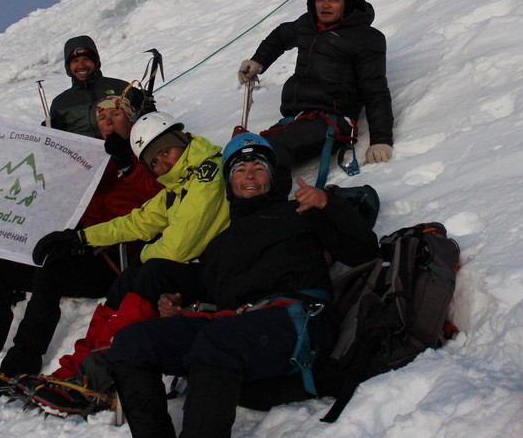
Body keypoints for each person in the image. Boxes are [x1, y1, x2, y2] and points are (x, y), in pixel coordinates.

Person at [106, 133, 379, 438]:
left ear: (271, 178)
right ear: (229, 182)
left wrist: (328, 204)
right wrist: (175, 306)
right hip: (239, 331)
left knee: (220, 336)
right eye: (239, 169)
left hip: (299, 322)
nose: (249, 174)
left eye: (258, 167)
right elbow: (213, 296)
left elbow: (363, 251)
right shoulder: (220, 244)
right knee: (131, 341)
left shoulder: (301, 212)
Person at [0, 95, 162, 386]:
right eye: (102, 116)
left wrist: (127, 166)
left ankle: (22, 361)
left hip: (115, 260)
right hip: (80, 248)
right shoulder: (90, 157)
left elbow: (160, 198)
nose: (108, 121)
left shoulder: (145, 156)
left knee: (50, 276)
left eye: (116, 115)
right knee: (1, 273)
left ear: (130, 120)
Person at [30, 111, 230, 384]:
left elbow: (180, 247)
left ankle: (102, 373)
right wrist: (80, 238)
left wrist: (143, 257)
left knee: (149, 271)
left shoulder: (209, 174)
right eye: (155, 163)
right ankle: (76, 368)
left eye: (165, 153)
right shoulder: (179, 183)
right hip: (192, 270)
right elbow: (140, 221)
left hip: (219, 274)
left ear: (179, 140)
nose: (162, 166)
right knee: (126, 281)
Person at [237, 0, 394, 172]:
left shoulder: (367, 38)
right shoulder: (307, 24)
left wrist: (381, 140)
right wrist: (258, 61)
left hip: (333, 119)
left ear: (346, 2)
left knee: (269, 152)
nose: (325, 5)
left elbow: (375, 91)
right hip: (299, 117)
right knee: (248, 150)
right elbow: (280, 36)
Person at [49, 35, 147, 137]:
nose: (81, 65)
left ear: (95, 61)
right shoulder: (60, 103)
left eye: (86, 59)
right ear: (68, 66)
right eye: (75, 61)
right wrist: (50, 132)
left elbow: (145, 127)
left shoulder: (122, 88)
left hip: (123, 151)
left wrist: (146, 109)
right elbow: (56, 145)